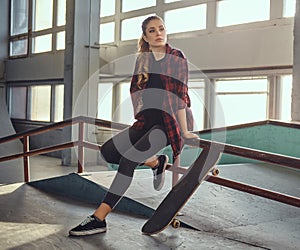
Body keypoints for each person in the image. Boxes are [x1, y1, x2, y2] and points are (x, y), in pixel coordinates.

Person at [69, 15, 198, 236]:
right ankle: (156, 162)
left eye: (161, 29)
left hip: (169, 124)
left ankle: (99, 218)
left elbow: (180, 97)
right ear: (145, 36)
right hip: (147, 122)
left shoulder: (176, 57)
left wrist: (185, 131)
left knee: (128, 161)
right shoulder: (143, 60)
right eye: (152, 31)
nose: (158, 34)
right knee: (108, 151)